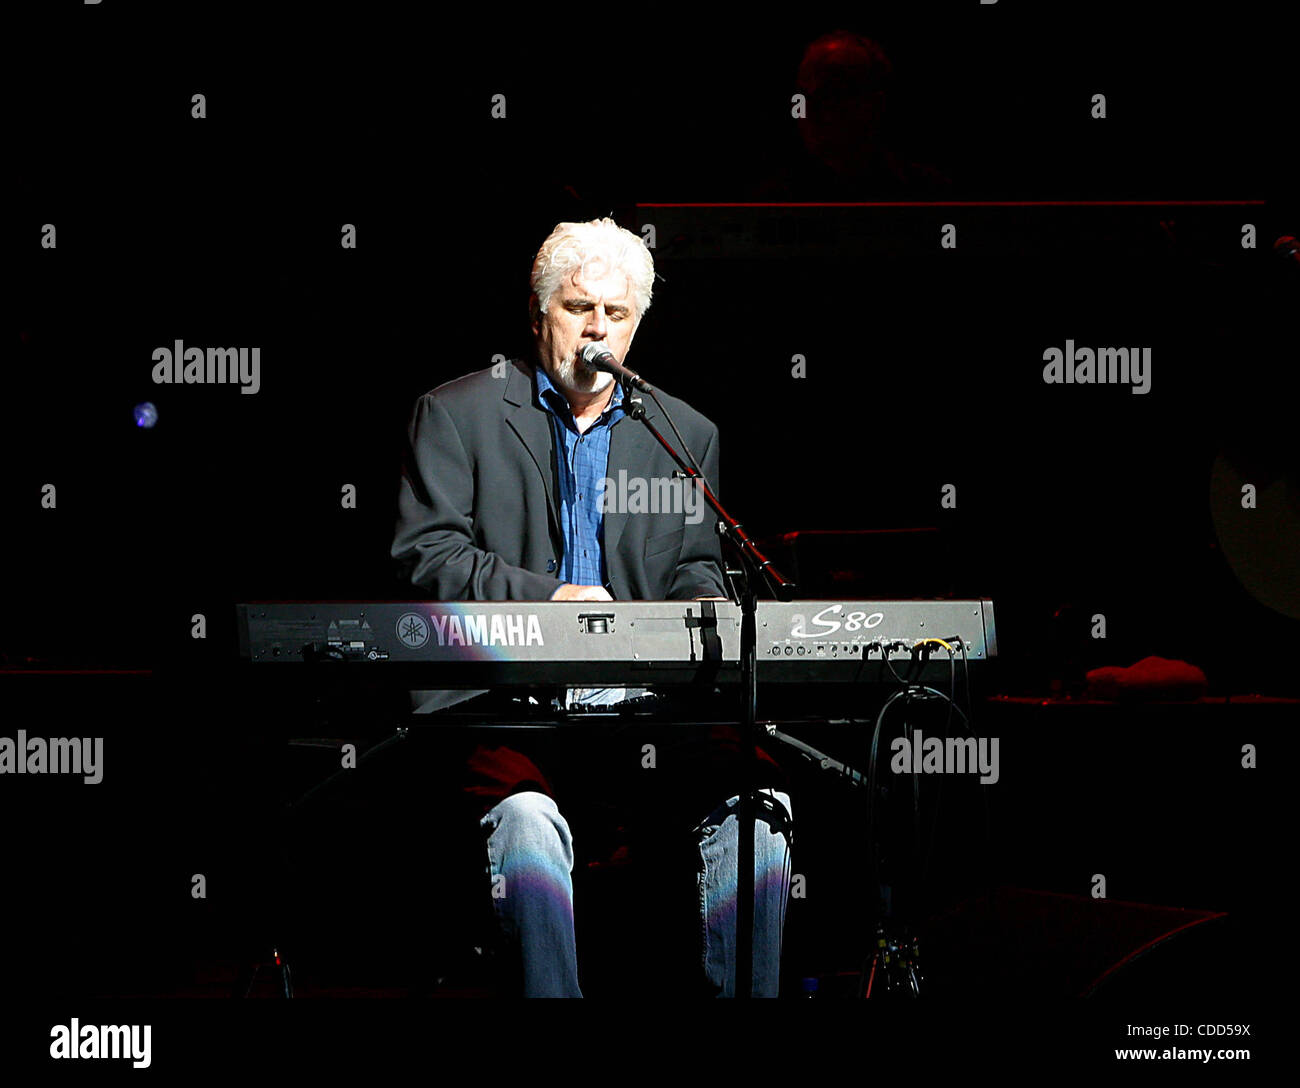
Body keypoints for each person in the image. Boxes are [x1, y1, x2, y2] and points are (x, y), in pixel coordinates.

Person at [391, 217, 792, 996]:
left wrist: (698, 613)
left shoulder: (684, 434)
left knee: (759, 806)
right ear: (540, 313)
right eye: (580, 309)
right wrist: (555, 600)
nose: (597, 330)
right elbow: (427, 557)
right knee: (527, 826)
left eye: (617, 314)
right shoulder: (456, 413)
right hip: (509, 703)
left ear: (639, 323)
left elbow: (695, 567)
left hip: (646, 708)